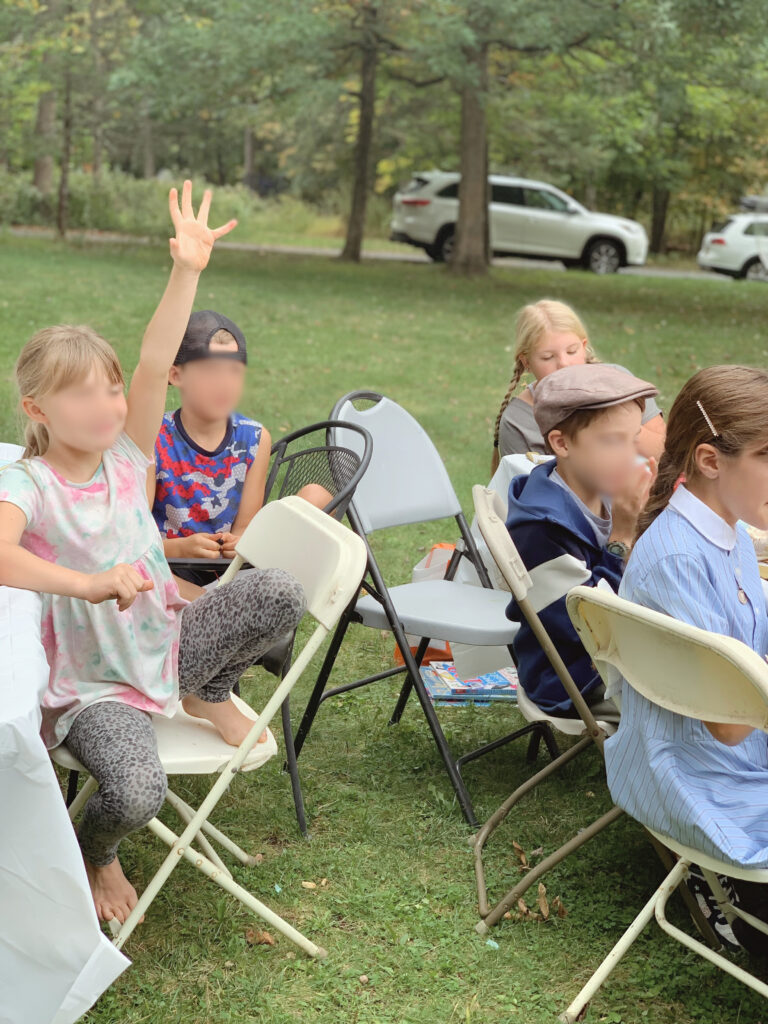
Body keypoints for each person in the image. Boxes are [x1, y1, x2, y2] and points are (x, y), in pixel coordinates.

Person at [0, 182, 306, 926]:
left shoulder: (130, 456)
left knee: (280, 592)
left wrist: (188, 271)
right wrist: (89, 582)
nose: (107, 406)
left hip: (169, 648)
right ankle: (96, 852)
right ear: (37, 409)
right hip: (94, 691)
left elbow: (152, 358)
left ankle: (208, 688)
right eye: (83, 397)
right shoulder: (29, 482)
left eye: (110, 391)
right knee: (134, 796)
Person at [603, 365, 768, 951]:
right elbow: (726, 724)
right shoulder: (680, 558)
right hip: (696, 772)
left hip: (724, 755)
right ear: (710, 460)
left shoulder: (726, 534)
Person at [505, 363, 658, 720]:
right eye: (612, 441)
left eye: (632, 439)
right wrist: (622, 535)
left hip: (623, 654)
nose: (629, 456)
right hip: (575, 678)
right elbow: (591, 628)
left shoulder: (602, 487)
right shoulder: (540, 527)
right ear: (561, 443)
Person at [153, 309, 331, 585]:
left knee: (317, 496)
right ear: (176, 375)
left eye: (233, 372)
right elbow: (133, 539)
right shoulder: (154, 436)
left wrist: (240, 543)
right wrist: (180, 547)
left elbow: (245, 526)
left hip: (229, 573)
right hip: (166, 571)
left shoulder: (254, 439)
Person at [491, 299, 666, 472]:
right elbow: (524, 491)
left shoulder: (620, 382)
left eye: (572, 351)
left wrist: (619, 425)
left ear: (584, 347)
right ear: (526, 361)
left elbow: (666, 451)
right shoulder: (518, 421)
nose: (564, 364)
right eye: (547, 357)